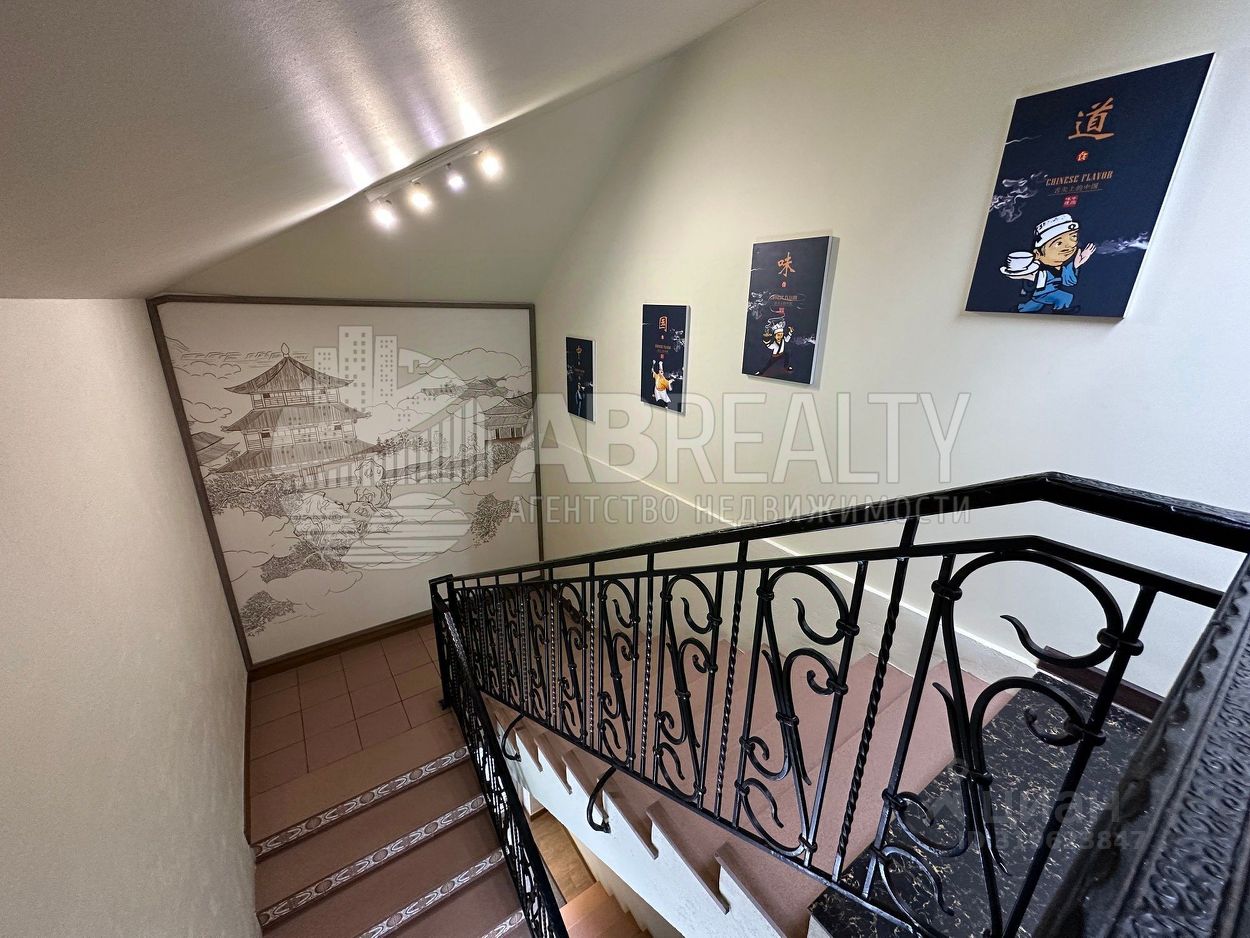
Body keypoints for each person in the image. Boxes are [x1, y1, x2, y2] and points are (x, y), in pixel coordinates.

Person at [1002, 213, 1096, 313]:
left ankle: (1019, 309)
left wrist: (1077, 264)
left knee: (1033, 307)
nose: (1068, 247)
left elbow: (1069, 282)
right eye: (1058, 243)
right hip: (1042, 294)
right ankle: (1060, 311)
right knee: (1064, 297)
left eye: (1073, 237)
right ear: (1038, 253)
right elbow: (1030, 282)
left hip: (1044, 294)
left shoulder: (1061, 269)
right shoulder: (1040, 272)